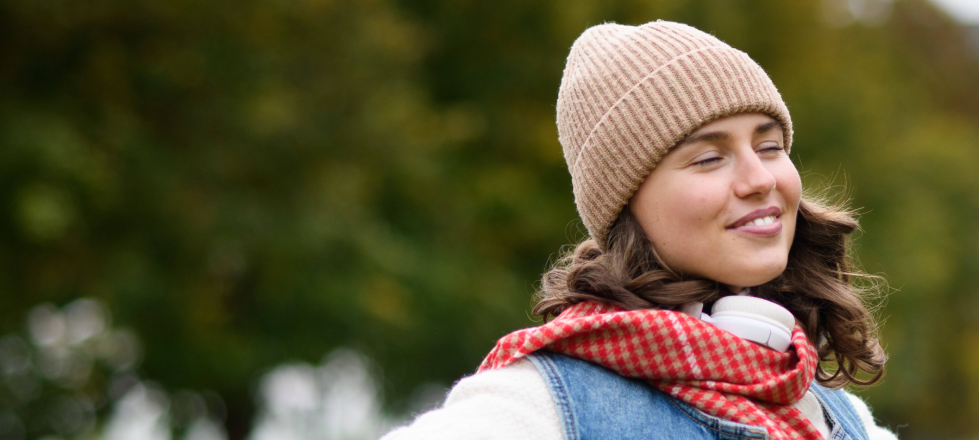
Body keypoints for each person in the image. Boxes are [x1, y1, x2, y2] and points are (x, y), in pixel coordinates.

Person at [381, 20, 895, 440]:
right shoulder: (542, 408)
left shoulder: (842, 418)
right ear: (627, 204)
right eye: (710, 158)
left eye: (769, 147)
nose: (760, 179)